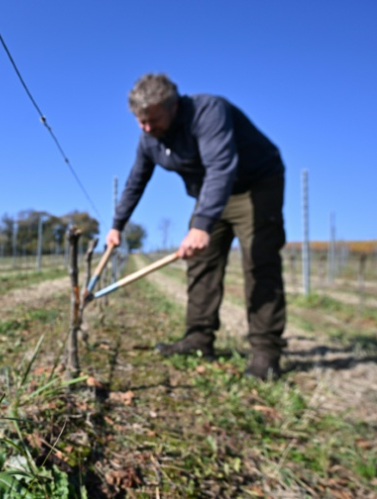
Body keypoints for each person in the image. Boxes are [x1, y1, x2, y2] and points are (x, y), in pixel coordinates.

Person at [106, 73, 287, 380]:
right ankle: (198, 339)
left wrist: (201, 225)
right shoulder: (149, 137)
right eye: (140, 122)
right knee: (200, 262)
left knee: (259, 261)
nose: (147, 129)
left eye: (153, 120)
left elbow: (220, 166)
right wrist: (117, 225)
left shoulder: (208, 112)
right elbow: (137, 180)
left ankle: (265, 353)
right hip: (212, 192)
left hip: (255, 185)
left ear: (174, 106)